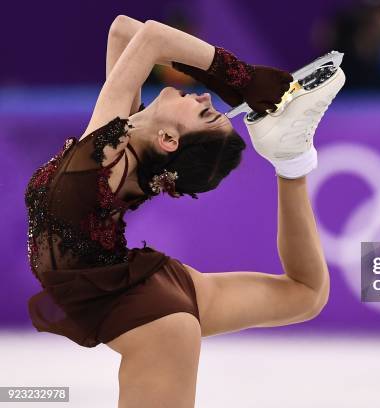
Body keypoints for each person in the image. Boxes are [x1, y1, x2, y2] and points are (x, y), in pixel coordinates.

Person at [26, 15, 335, 407]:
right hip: (132, 284)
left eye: (205, 113)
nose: (206, 97)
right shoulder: (118, 137)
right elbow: (124, 31)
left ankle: (292, 161)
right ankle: (292, 163)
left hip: (156, 319)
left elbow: (152, 37)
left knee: (304, 295)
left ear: (168, 139)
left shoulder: (104, 154)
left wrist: (241, 79)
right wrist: (227, 80)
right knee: (305, 295)